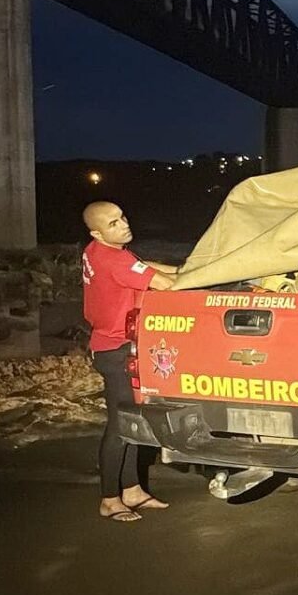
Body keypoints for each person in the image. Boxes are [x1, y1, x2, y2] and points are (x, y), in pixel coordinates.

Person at [81, 201, 177, 522]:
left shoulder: (96, 251)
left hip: (108, 345)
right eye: (113, 224)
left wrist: (183, 267)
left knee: (131, 421)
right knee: (119, 427)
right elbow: (164, 284)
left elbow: (140, 265)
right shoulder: (114, 259)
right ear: (97, 232)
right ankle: (110, 498)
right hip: (116, 350)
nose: (123, 225)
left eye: (122, 217)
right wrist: (198, 276)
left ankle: (132, 490)